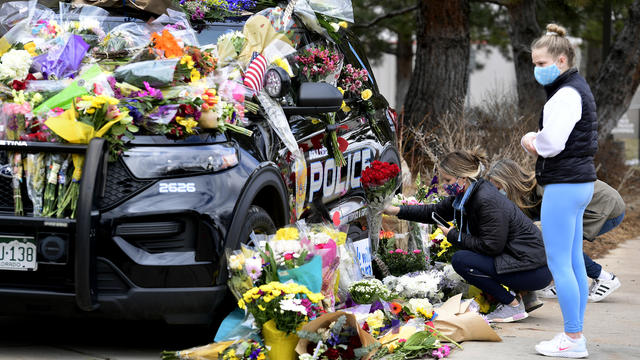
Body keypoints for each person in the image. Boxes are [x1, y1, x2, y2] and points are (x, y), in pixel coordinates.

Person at [384, 148, 552, 323]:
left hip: (534, 270)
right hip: (523, 262)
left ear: (463, 178)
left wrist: (454, 235)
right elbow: (433, 211)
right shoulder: (466, 195)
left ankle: (512, 304)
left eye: (447, 180)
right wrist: (395, 210)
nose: (444, 184)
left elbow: (491, 246)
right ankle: (518, 296)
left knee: (462, 261)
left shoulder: (485, 200)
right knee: (466, 258)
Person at [520, 23, 598, 358]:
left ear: (561, 61)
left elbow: (551, 144)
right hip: (579, 182)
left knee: (560, 265)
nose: (536, 69)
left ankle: (573, 337)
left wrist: (530, 140)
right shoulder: (575, 88)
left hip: (564, 185)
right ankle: (574, 333)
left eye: (541, 63)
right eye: (534, 63)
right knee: (574, 264)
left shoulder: (566, 94)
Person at [487, 159, 625, 303]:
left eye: (499, 188)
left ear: (509, 181)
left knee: (560, 244)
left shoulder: (544, 184)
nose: (498, 193)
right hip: (585, 207)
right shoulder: (525, 193)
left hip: (605, 208)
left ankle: (605, 278)